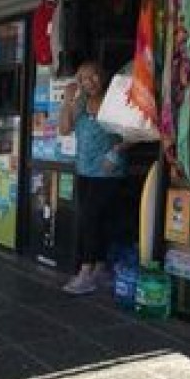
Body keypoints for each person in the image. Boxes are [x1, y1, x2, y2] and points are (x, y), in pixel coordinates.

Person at [58, 61, 131, 295]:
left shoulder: (115, 99)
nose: (90, 82)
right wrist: (67, 101)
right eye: (84, 79)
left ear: (102, 76)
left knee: (89, 217)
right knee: (95, 219)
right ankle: (100, 268)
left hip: (108, 171)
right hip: (84, 170)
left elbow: (136, 132)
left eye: (94, 77)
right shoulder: (80, 103)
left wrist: (115, 152)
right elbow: (64, 129)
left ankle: (86, 272)